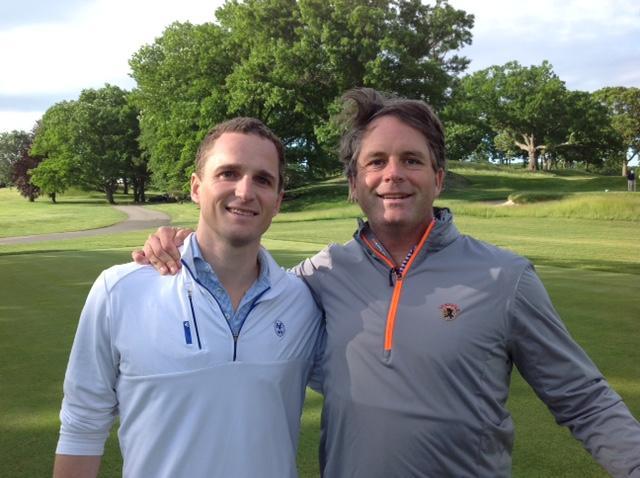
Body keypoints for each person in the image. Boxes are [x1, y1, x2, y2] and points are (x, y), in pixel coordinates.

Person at [134, 89, 640, 477]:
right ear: (354, 184)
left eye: (411, 160)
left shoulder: (505, 279)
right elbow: (245, 284)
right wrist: (184, 244)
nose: (392, 175)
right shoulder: (320, 276)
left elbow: (585, 400)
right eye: (375, 162)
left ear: (438, 178)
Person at [54, 118, 323, 478]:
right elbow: (82, 424)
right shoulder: (120, 290)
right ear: (196, 187)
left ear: (277, 201)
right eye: (228, 173)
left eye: (263, 179)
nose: (245, 191)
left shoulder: (303, 301)